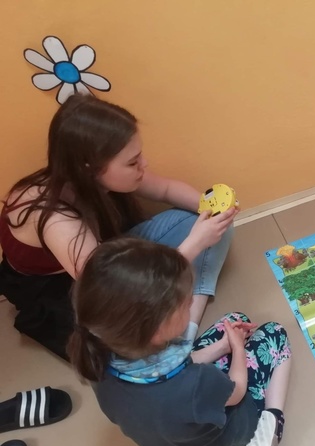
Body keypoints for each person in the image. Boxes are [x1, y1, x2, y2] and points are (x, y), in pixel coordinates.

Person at [0, 94, 236, 360]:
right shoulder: (55, 219)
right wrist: (195, 243)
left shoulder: (90, 175)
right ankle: (178, 347)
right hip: (68, 287)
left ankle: (186, 330)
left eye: (139, 155)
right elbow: (112, 288)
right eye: (133, 162)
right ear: (90, 168)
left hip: (101, 254)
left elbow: (166, 189)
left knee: (217, 227)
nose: (143, 165)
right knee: (118, 351)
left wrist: (212, 208)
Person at [69, 238, 292, 446]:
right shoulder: (196, 384)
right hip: (224, 438)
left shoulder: (97, 359)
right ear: (156, 331)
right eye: (186, 305)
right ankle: (272, 422)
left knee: (234, 321)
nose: (191, 303)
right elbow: (237, 389)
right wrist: (237, 349)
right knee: (275, 334)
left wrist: (223, 346)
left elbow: (176, 369)